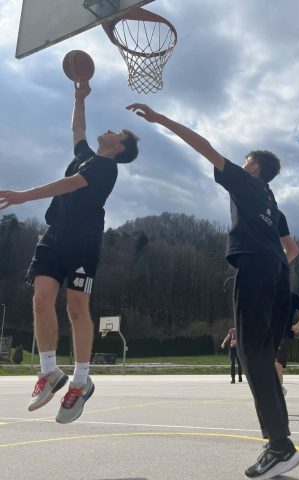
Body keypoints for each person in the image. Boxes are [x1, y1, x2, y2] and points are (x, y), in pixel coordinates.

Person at [127, 103, 299, 479]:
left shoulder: (245, 182)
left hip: (256, 267)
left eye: (246, 160)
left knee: (251, 355)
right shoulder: (273, 204)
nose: (242, 163)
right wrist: (275, 264)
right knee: (263, 357)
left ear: (252, 168)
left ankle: (280, 446)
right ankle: (279, 443)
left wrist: (160, 119)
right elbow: (293, 250)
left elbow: (203, 146)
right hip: (278, 273)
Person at [0, 80, 139, 424]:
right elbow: (78, 128)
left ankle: (81, 380)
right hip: (54, 236)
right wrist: (79, 98)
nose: (109, 130)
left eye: (116, 132)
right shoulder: (85, 155)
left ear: (119, 147)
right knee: (40, 300)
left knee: (76, 307)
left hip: (83, 242)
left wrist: (22, 196)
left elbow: (69, 184)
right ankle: (49, 372)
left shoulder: (105, 169)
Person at [275, 292, 299, 395]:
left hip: (285, 334)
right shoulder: (268, 294)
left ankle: (279, 390)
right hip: (269, 335)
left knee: (277, 362)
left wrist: (298, 325)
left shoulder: (293, 297)